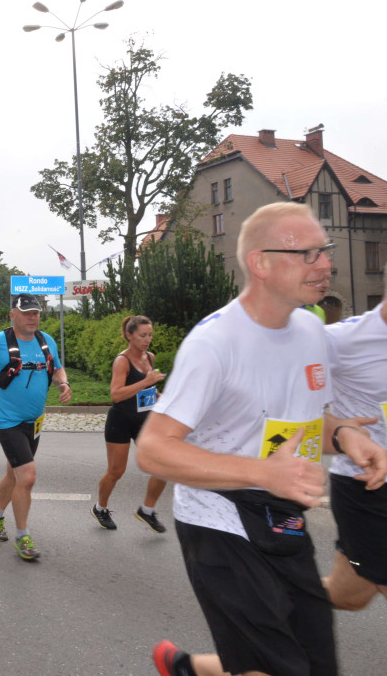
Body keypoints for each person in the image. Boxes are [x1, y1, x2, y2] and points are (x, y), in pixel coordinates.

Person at [138, 203, 387, 676]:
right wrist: (263, 472)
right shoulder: (215, 343)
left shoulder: (312, 330)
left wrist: (350, 436)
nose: (326, 263)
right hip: (219, 520)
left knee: (315, 666)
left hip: (283, 518)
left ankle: (193, 669)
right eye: (309, 253)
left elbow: (310, 421)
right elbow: (153, 448)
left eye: (326, 250)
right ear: (261, 263)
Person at [0, 294, 71, 560]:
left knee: (14, 475)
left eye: (36, 312)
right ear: (12, 314)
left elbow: (57, 368)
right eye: (26, 313)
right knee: (27, 476)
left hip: (33, 421)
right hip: (7, 421)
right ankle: (23, 536)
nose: (32, 317)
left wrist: (63, 384)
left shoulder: (46, 341)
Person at [321, 288, 387, 612]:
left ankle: (276, 591)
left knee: (350, 594)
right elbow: (280, 400)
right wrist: (343, 431)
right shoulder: (340, 340)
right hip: (366, 486)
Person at [92, 315, 168, 533]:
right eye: (143, 335)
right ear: (129, 335)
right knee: (116, 471)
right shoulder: (122, 361)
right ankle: (100, 508)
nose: (147, 339)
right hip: (121, 421)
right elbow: (116, 395)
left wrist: (160, 395)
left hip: (144, 420)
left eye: (150, 335)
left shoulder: (150, 357)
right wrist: (147, 381)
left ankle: (147, 510)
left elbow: (147, 391)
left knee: (162, 465)